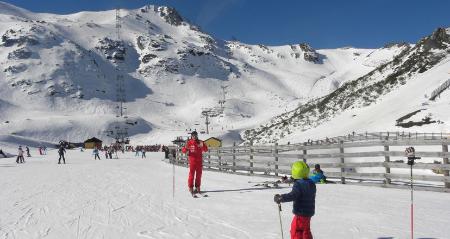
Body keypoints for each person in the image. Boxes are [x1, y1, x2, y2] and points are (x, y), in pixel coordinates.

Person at [274, 161, 316, 239]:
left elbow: (293, 195)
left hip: (300, 213)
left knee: (296, 231)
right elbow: (304, 187)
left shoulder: (298, 184)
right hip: (308, 213)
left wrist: (281, 198)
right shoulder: (311, 183)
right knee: (305, 230)